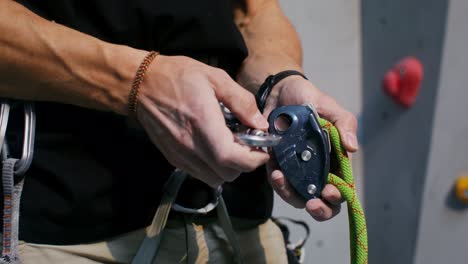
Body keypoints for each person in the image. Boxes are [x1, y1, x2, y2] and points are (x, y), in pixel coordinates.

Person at [0, 0, 358, 263]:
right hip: (77, 238)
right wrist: (138, 82)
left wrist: (278, 78)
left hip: (240, 229)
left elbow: (254, 12)